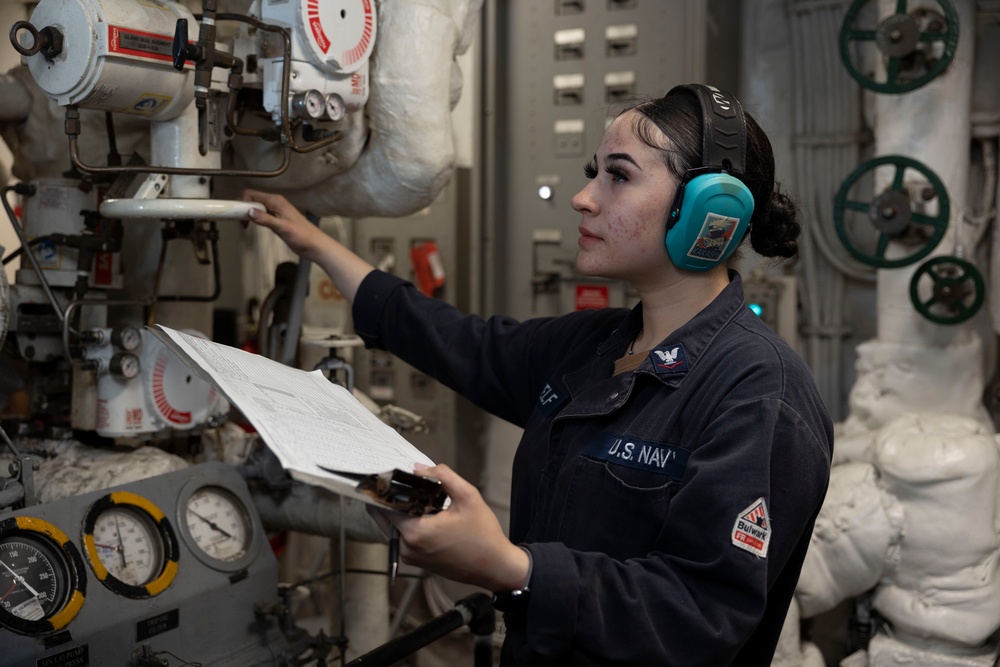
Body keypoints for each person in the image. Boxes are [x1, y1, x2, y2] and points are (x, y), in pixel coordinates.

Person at [243, 83, 833, 666]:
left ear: (710, 213)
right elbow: (455, 340)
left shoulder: (758, 390)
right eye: (592, 172)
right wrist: (315, 243)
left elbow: (700, 615)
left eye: (618, 176)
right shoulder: (594, 344)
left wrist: (508, 566)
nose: (582, 197)